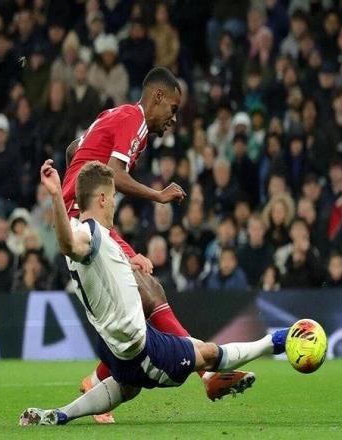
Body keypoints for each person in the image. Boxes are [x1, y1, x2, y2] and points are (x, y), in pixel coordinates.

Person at [19, 160, 288, 427]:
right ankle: (275, 341)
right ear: (101, 198)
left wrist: (129, 261)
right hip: (139, 349)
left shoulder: (92, 233)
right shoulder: (88, 234)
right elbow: (68, 244)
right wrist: (56, 195)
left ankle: (61, 414)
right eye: (112, 197)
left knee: (128, 387)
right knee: (207, 355)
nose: (114, 204)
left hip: (111, 344)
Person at [62, 67, 251, 422]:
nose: (174, 119)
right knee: (144, 291)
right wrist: (159, 195)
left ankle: (101, 380)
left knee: (149, 290)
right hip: (84, 223)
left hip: (88, 219)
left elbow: (76, 148)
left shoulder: (117, 117)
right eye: (173, 109)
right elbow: (114, 174)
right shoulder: (134, 119)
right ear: (157, 97)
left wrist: (79, 171)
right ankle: (204, 372)